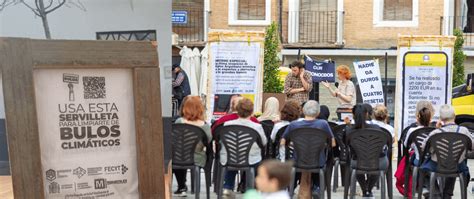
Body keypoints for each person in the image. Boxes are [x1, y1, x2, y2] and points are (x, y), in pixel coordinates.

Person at [280, 100, 335, 197]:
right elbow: (333, 143)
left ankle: (291, 189)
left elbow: (282, 142)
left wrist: (295, 144)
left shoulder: (294, 125)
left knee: (298, 163)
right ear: (318, 113)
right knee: (320, 160)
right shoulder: (323, 124)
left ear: (303, 111)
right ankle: (317, 187)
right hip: (318, 161)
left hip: (298, 161)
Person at [419, 104, 474, 198]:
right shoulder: (464, 131)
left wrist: (437, 129)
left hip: (437, 165)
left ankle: (436, 194)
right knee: (456, 162)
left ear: (441, 119)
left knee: (422, 168)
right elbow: (472, 146)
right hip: (457, 166)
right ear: (454, 116)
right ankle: (447, 194)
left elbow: (423, 147)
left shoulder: (435, 133)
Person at [221, 98, 267, 196]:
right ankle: (252, 189)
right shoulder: (257, 127)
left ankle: (228, 188)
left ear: (237, 110)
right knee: (256, 161)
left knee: (233, 159)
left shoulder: (227, 124)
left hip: (230, 157)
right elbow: (264, 142)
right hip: (250, 159)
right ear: (251, 111)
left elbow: (223, 141)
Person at [172, 96, 211, 197]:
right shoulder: (205, 126)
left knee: (174, 157)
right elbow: (209, 140)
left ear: (185, 108)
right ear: (200, 108)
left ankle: (181, 187)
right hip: (197, 158)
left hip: (179, 157)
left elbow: (175, 140)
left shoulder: (179, 122)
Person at [345, 104, 384, 199]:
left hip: (357, 161)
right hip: (376, 161)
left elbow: (346, 144)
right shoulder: (376, 128)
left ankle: (364, 190)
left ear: (353, 115)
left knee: (357, 164)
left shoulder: (349, 130)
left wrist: (348, 126)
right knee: (379, 163)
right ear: (367, 114)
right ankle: (368, 190)